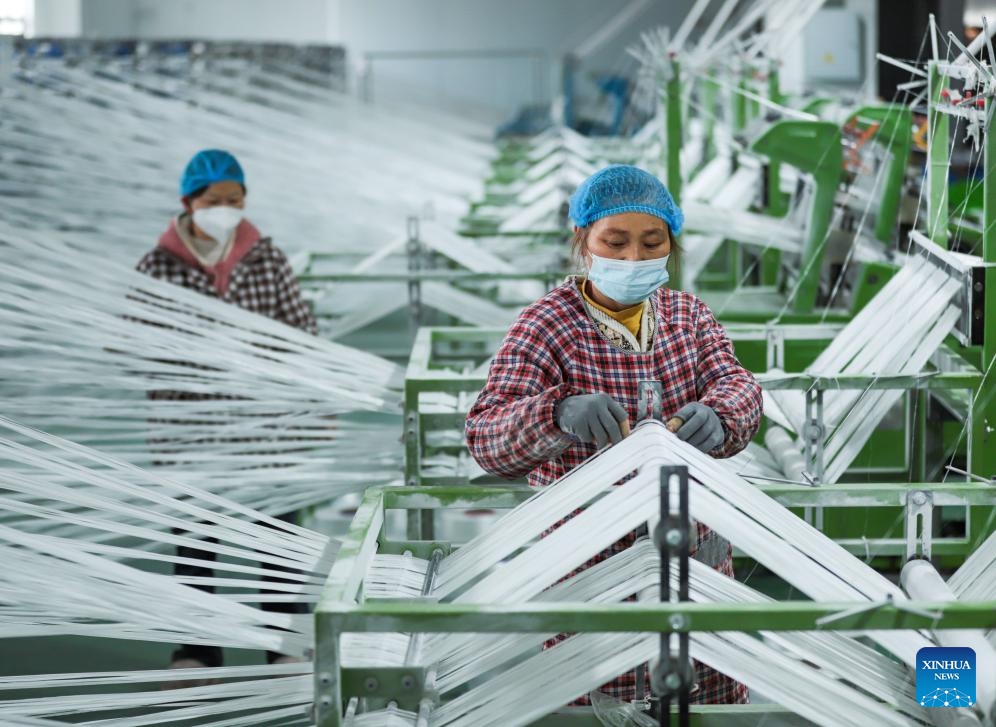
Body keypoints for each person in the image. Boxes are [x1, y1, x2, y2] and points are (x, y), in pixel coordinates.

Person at [465, 164, 762, 705]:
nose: (634, 259)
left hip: (698, 574)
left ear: (672, 244)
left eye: (653, 243)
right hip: (594, 580)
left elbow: (739, 385)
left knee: (708, 706)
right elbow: (485, 437)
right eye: (615, 242)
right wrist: (555, 413)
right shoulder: (547, 326)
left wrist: (721, 414)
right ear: (584, 242)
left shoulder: (688, 317)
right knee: (602, 708)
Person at [136, 149, 317, 678]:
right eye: (214, 202)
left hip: (265, 429)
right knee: (196, 540)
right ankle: (196, 651)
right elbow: (135, 343)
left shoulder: (266, 257)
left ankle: (284, 645)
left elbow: (302, 333)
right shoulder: (157, 266)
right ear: (188, 203)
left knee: (278, 541)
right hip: (190, 430)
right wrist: (200, 361)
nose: (226, 210)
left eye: (234, 201)